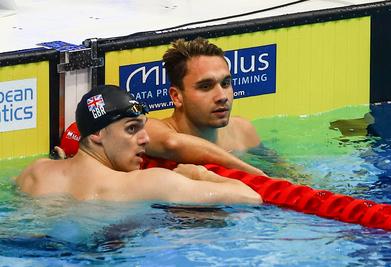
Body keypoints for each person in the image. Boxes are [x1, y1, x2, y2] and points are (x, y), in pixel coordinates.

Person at [16, 85, 261, 204]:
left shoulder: (35, 172)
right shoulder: (149, 183)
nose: (145, 138)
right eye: (131, 129)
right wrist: (202, 174)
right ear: (97, 135)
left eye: (143, 127)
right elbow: (250, 197)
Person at [144, 38, 265, 175]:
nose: (222, 96)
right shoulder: (149, 129)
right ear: (176, 96)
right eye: (206, 86)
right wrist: (252, 173)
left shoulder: (243, 131)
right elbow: (172, 144)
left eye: (225, 84)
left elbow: (284, 174)